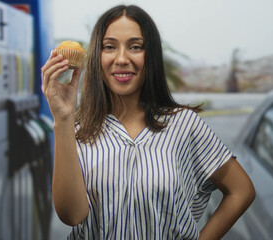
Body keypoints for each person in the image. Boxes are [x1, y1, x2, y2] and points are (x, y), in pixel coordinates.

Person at [41, 4, 255, 240]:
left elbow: (241, 190)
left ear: (150, 55)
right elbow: (71, 216)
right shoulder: (78, 131)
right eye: (109, 47)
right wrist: (62, 120)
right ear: (96, 57)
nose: (122, 59)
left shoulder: (184, 125)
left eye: (135, 47)